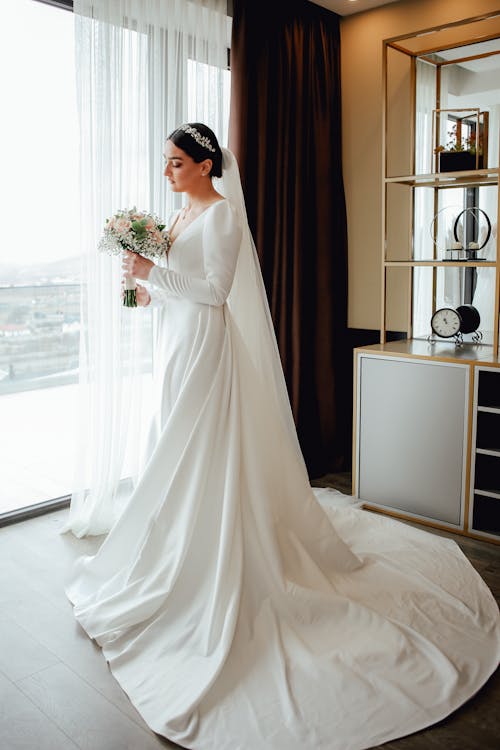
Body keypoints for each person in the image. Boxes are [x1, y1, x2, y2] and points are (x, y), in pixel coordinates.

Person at [66, 123, 500, 750]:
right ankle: (169, 548)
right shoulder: (181, 214)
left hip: (206, 353)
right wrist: (145, 285)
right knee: (171, 448)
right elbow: (179, 291)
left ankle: (210, 554)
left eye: (177, 162)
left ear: (207, 164)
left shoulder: (221, 217)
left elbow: (214, 294)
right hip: (175, 346)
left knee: (198, 452)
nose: (168, 172)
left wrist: (153, 274)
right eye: (166, 162)